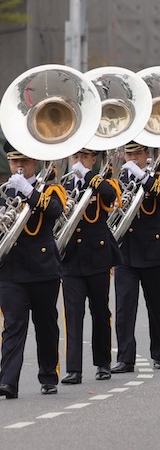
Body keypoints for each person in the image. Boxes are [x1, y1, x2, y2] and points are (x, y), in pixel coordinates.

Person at [0, 142, 65, 398]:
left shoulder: (51, 189)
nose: (18, 167)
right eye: (15, 162)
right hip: (11, 270)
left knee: (46, 324)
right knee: (13, 326)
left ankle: (48, 376)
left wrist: (29, 191)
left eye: (24, 162)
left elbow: (55, 211)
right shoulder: (3, 192)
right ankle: (8, 381)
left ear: (34, 163)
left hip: (42, 269)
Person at [112, 141, 160, 373]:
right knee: (124, 309)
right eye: (128, 153)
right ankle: (125, 358)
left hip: (154, 251)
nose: (132, 158)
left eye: (137, 153)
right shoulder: (120, 179)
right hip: (126, 252)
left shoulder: (158, 177)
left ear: (146, 154)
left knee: (157, 306)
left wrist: (143, 177)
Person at [61, 147, 122, 385]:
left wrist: (87, 175)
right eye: (75, 156)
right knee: (73, 315)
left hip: (97, 257)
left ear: (94, 159)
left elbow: (109, 195)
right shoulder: (62, 186)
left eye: (85, 157)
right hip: (71, 259)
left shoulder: (102, 182)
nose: (79, 161)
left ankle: (103, 363)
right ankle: (73, 369)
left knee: (100, 311)